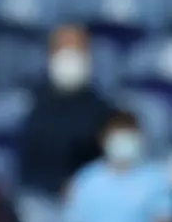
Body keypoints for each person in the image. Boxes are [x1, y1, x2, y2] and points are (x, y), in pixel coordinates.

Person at [64, 110, 172, 222]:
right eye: (117, 135)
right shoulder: (86, 179)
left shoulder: (157, 179)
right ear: (103, 140)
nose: (123, 141)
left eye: (129, 135)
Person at [17, 26, 117, 196]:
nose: (70, 56)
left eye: (77, 49)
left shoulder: (103, 109)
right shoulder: (28, 104)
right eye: (63, 49)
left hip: (88, 196)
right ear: (50, 55)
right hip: (39, 196)